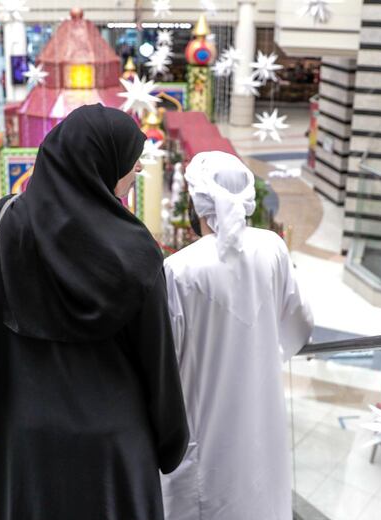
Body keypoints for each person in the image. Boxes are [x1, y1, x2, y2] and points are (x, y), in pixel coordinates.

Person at [0, 104, 188, 520]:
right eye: (130, 161)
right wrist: (170, 443)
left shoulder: (6, 222)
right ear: (101, 164)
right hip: (113, 448)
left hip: (26, 442)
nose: (138, 168)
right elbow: (157, 364)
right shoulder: (138, 253)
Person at [161, 151, 313, 520]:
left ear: (198, 203)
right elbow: (300, 323)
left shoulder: (179, 269)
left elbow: (166, 355)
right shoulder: (273, 247)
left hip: (202, 428)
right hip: (262, 418)